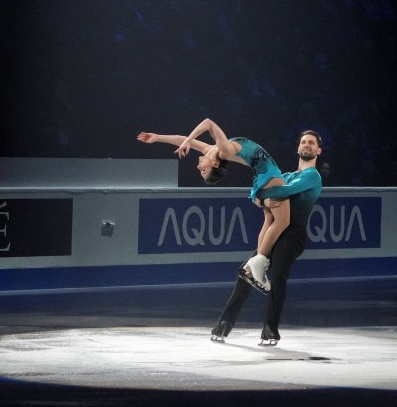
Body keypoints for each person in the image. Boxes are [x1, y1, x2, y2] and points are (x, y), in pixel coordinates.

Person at [136, 118, 290, 292]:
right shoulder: (224, 150)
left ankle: (255, 266)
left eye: (201, 170)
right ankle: (259, 262)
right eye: (203, 170)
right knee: (282, 222)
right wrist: (187, 142)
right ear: (215, 164)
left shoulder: (211, 149)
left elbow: (182, 138)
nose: (198, 167)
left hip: (264, 176)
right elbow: (208, 123)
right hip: (269, 175)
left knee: (269, 220)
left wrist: (157, 137)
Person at [209, 128, 323, 346]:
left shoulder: (312, 176)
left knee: (278, 275)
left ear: (319, 150)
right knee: (247, 271)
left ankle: (270, 329)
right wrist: (262, 200)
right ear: (298, 148)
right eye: (303, 142)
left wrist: (261, 197)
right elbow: (265, 196)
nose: (306, 145)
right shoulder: (286, 175)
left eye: (311, 143)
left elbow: (284, 191)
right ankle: (224, 322)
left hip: (293, 234)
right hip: (275, 231)